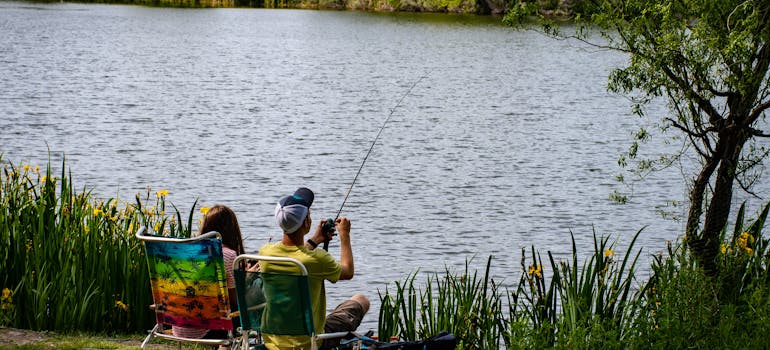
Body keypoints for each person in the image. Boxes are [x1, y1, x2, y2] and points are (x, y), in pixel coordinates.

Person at [259, 187, 370, 350]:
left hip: (273, 340)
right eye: (309, 214)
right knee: (361, 300)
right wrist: (345, 235)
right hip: (309, 342)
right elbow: (348, 271)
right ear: (306, 222)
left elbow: (296, 255)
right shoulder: (317, 259)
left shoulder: (265, 253)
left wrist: (315, 239)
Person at [172, 204, 246, 340]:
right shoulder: (228, 255)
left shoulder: (189, 252)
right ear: (232, 229)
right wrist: (247, 279)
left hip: (180, 326)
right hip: (207, 330)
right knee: (249, 309)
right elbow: (235, 299)